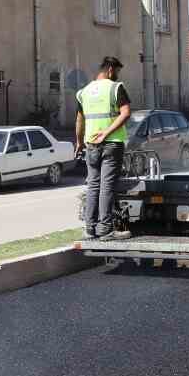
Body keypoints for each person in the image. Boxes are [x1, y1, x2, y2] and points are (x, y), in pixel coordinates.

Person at [75, 56, 132, 240]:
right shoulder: (116, 88)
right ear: (110, 70)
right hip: (111, 144)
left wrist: (78, 142)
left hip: (91, 144)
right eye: (117, 71)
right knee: (106, 186)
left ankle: (89, 229)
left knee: (93, 185)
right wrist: (106, 132)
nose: (117, 75)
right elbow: (126, 113)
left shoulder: (84, 91)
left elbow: (79, 120)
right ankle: (105, 229)